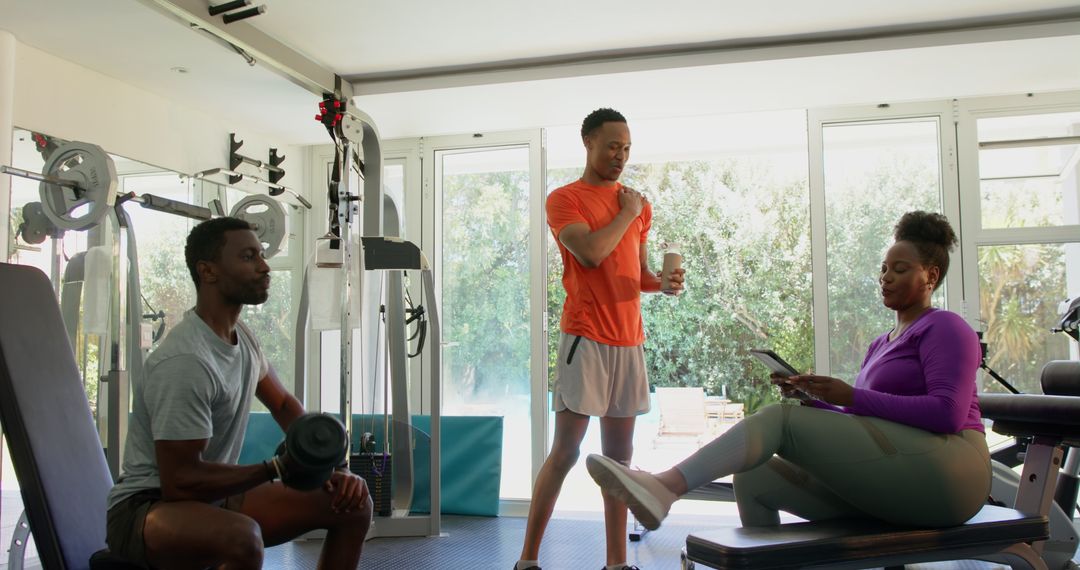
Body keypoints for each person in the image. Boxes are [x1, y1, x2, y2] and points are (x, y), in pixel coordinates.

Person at [587, 211, 990, 531]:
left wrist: (848, 396)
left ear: (930, 276)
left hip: (954, 476)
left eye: (899, 269)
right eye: (883, 268)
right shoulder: (880, 344)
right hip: (904, 472)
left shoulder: (945, 326)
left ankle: (666, 487)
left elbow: (947, 414)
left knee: (783, 420)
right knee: (754, 475)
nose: (886, 277)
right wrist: (818, 402)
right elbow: (867, 425)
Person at [105, 217, 372, 570]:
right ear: (208, 271)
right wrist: (275, 467)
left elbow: (282, 404)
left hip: (212, 499)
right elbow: (180, 482)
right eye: (249, 257)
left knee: (353, 504)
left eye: (261, 256)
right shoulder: (186, 361)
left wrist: (333, 466)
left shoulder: (241, 337)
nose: (264, 267)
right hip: (147, 509)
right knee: (242, 539)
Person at [515, 108, 686, 570]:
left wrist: (662, 284)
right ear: (588, 143)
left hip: (628, 339)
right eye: (613, 146)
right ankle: (527, 559)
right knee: (567, 451)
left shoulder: (639, 206)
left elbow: (637, 274)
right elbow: (591, 254)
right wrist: (626, 211)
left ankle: (616, 564)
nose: (621, 156)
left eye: (627, 148)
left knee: (619, 463)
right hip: (586, 336)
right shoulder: (565, 199)